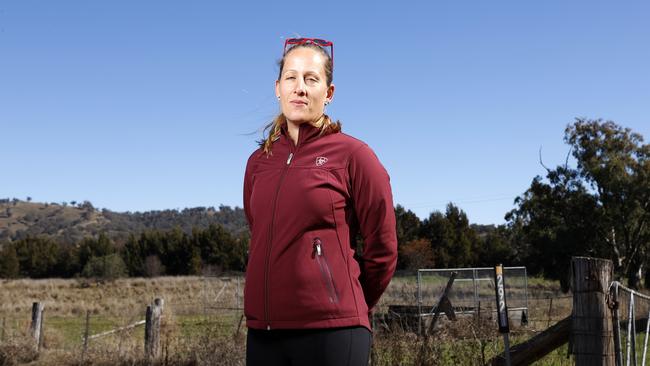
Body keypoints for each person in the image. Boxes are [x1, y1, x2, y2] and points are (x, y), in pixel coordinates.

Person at [243, 37, 398, 366]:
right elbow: (259, 233)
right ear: (277, 88)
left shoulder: (355, 156)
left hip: (332, 333)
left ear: (328, 94)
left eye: (311, 79)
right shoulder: (258, 162)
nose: (299, 88)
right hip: (263, 333)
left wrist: (344, 301)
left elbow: (383, 249)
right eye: (291, 77)